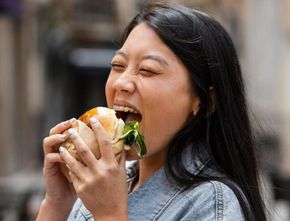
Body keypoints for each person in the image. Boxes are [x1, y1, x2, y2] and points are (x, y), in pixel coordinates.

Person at [36, 2, 267, 221]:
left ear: (205, 100)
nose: (121, 83)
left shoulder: (212, 202)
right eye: (118, 66)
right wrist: (58, 201)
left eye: (147, 70)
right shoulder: (102, 183)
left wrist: (110, 213)